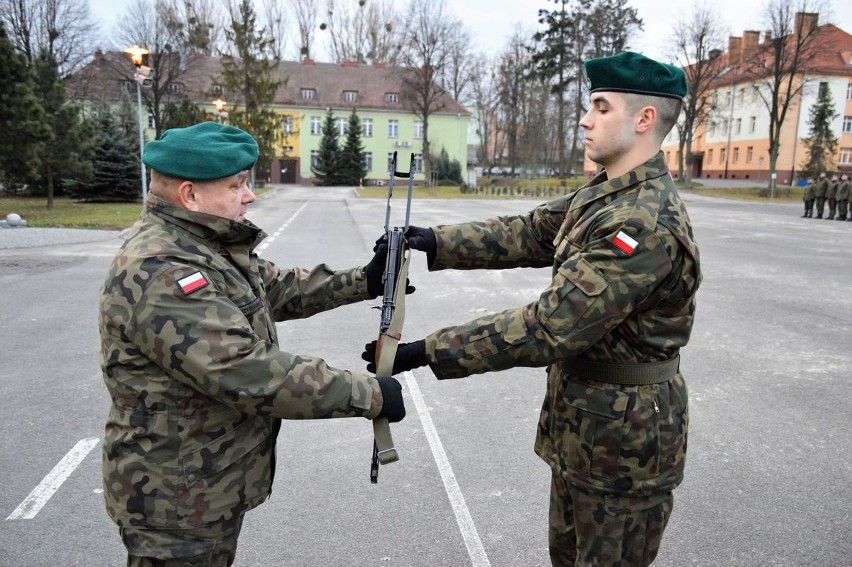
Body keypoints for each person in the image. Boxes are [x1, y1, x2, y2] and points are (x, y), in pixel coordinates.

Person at [363, 51, 700, 566]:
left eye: (601, 107)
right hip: (586, 428)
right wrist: (431, 240)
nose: (585, 120)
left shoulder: (642, 222)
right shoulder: (607, 195)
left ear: (644, 119)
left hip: (625, 447)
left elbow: (550, 327)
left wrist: (425, 351)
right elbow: (532, 229)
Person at [99, 121, 406, 566]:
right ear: (190, 195)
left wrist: (364, 280)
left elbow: (275, 287)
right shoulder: (160, 268)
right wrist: (370, 393)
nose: (250, 195)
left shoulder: (201, 243)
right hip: (174, 499)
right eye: (237, 185)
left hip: (201, 484)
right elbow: (246, 370)